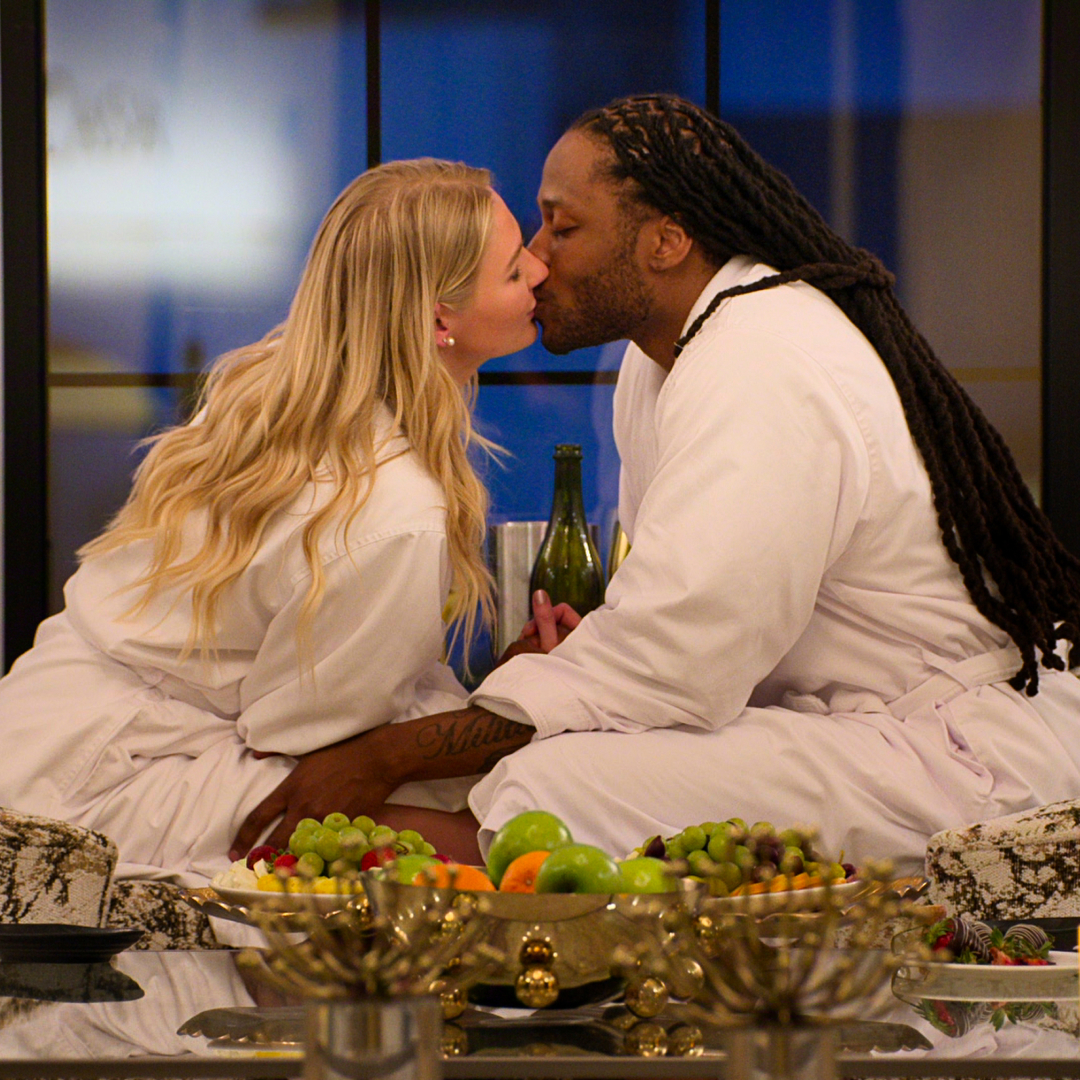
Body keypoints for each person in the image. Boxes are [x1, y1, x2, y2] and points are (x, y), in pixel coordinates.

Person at [235, 95, 1080, 878]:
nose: (537, 261)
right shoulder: (662, 358)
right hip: (844, 725)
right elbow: (677, 621)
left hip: (953, 752)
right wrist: (579, 664)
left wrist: (386, 755)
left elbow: (678, 656)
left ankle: (310, 876)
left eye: (563, 227)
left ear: (665, 242)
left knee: (556, 781)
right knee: (544, 756)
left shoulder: (761, 362)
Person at [0, 158, 547, 885]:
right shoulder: (393, 510)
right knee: (486, 843)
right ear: (439, 319)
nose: (541, 270)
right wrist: (505, 710)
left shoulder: (274, 388)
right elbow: (309, 736)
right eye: (514, 269)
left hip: (34, 727)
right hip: (107, 784)